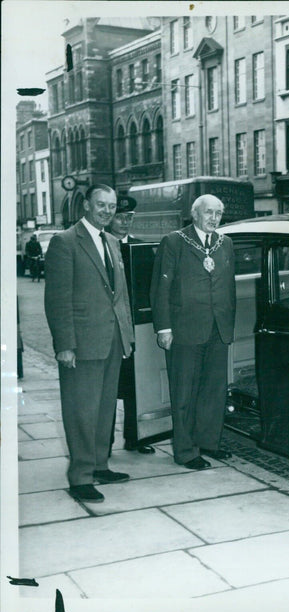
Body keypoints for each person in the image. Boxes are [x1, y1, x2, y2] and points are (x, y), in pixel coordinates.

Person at [44, 184, 135, 503]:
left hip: (111, 341)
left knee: (105, 408)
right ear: (86, 205)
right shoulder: (65, 242)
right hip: (81, 343)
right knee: (81, 410)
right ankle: (80, 476)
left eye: (111, 206)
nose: (107, 211)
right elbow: (57, 299)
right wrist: (64, 345)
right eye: (101, 205)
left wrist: (127, 336)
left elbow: (119, 296)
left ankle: (99, 464)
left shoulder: (111, 240)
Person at [150, 194, 236, 470]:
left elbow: (229, 288)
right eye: (209, 212)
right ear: (195, 214)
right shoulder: (175, 241)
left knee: (214, 390)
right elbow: (160, 289)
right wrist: (163, 328)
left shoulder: (226, 244)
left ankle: (209, 442)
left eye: (219, 213)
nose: (214, 218)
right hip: (184, 330)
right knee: (184, 392)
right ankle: (185, 451)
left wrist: (228, 326)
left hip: (217, 329)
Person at [105, 196, 153, 455]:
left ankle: (135, 438)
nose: (124, 222)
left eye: (129, 217)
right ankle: (105, 443)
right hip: (111, 332)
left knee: (135, 384)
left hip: (135, 331)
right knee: (108, 389)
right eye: (120, 217)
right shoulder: (99, 246)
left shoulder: (141, 249)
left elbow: (150, 290)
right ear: (110, 217)